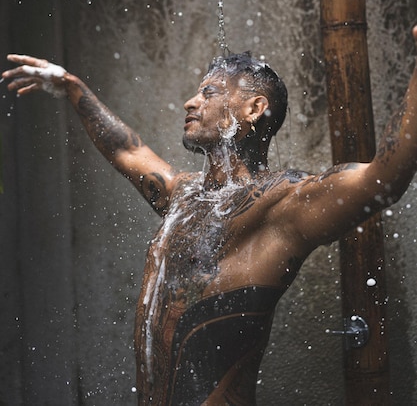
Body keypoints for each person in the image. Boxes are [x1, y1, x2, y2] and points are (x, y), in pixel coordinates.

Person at [2, 29, 417, 406]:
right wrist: (73, 89)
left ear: (254, 108)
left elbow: (385, 178)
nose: (190, 102)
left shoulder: (283, 205)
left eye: (210, 93)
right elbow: (127, 150)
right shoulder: (184, 194)